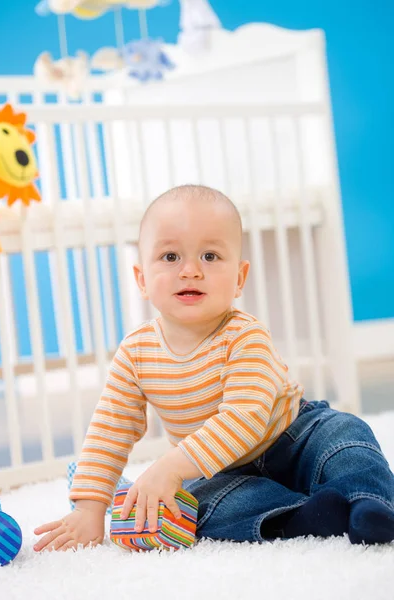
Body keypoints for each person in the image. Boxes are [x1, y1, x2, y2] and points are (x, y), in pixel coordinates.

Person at [33, 184, 394, 553]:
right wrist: (91, 508)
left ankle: (368, 502)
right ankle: (303, 515)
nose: (190, 271)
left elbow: (245, 417)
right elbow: (109, 430)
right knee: (197, 507)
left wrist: (170, 467)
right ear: (142, 279)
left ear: (239, 278)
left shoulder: (245, 335)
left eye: (209, 255)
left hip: (291, 436)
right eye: (170, 257)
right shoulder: (135, 353)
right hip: (217, 469)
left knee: (345, 436)